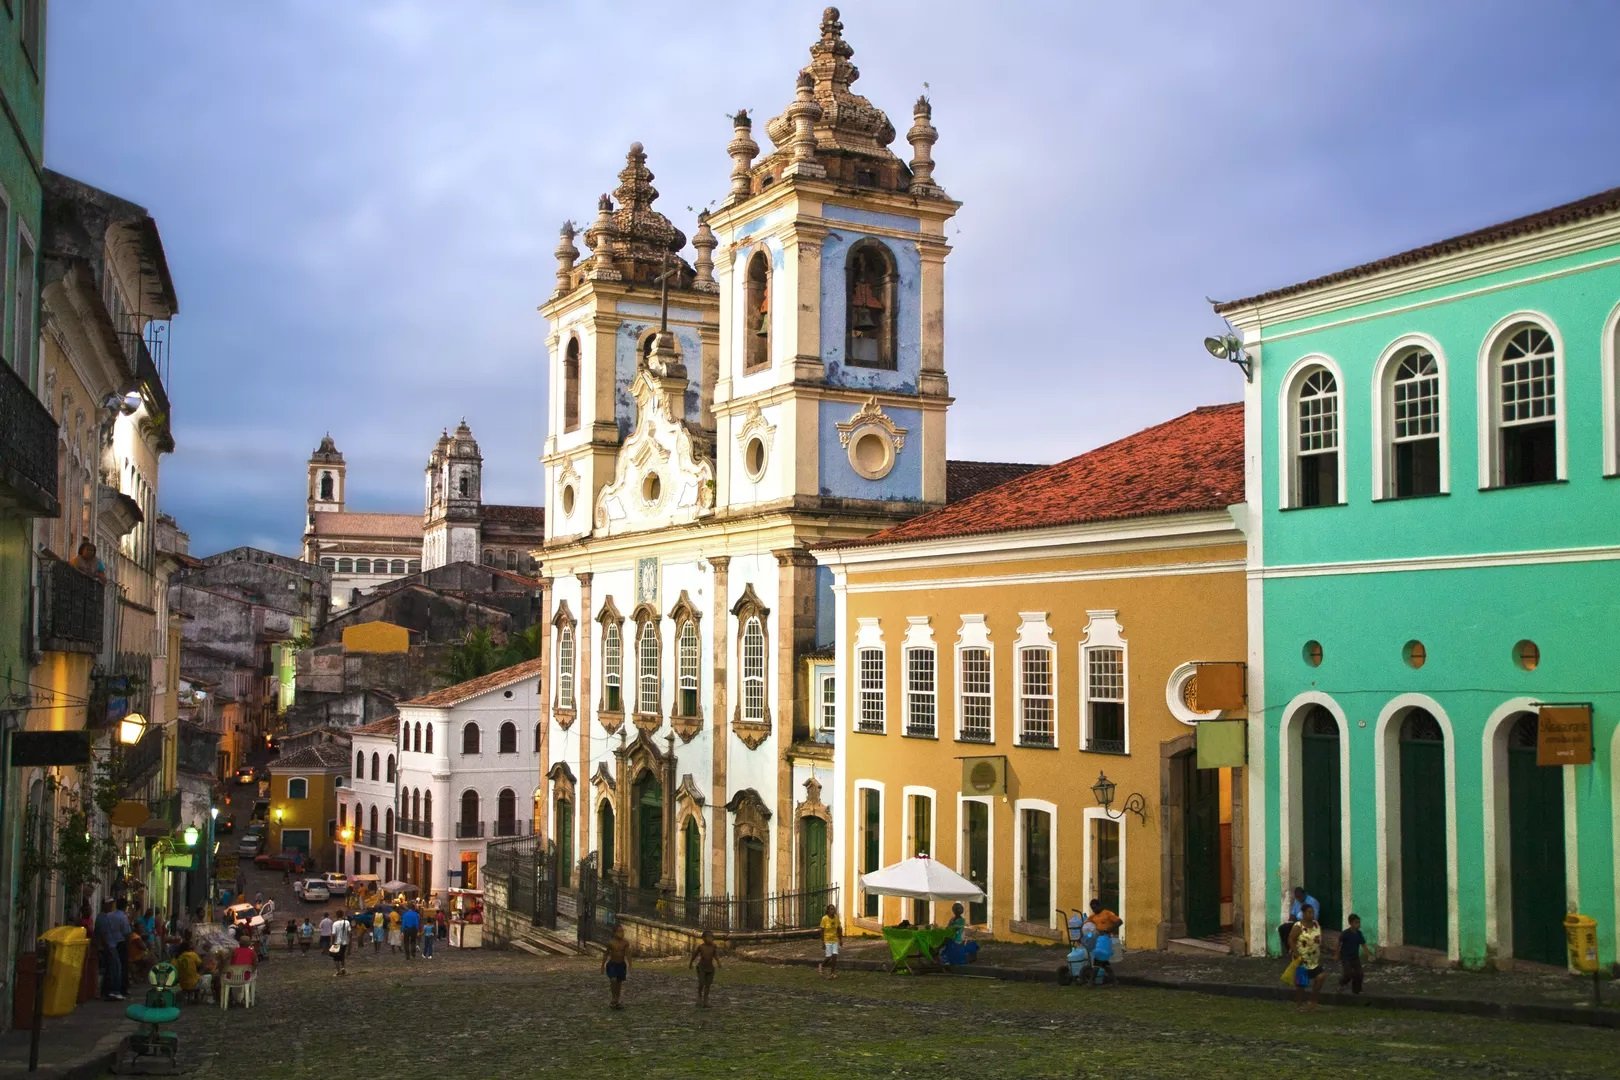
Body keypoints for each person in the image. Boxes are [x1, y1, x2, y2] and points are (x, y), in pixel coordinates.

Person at [1287, 903, 1326, 1012]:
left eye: (1312, 912)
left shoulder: (1316, 924)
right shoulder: (1298, 926)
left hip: (1314, 959)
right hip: (1302, 959)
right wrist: (1296, 954)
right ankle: (1299, 1005)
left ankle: (1313, 1001)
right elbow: (1291, 939)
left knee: (1321, 977)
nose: (1311, 914)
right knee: (1301, 985)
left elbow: (1318, 938)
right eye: (1309, 912)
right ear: (1303, 913)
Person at [1279, 885, 1320, 956]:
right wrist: (1291, 920)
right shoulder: (1297, 901)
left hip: (1308, 923)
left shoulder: (1312, 902)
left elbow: (1314, 917)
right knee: (1283, 928)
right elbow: (1293, 914)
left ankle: (1297, 950)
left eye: (1300, 897)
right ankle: (1290, 949)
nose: (1299, 899)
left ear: (1304, 894)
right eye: (1297, 897)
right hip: (1298, 922)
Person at [1338, 912, 1372, 995]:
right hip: (1346, 957)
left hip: (1355, 957)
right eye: (1356, 922)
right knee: (1348, 973)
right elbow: (1339, 943)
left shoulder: (1359, 934)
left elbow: (1363, 945)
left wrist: (1368, 955)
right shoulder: (1345, 934)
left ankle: (1357, 990)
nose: (1358, 924)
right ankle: (1342, 983)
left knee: (1359, 973)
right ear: (1351, 923)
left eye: (1359, 922)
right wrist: (1337, 954)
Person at [689, 929, 720, 1008]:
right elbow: (694, 955)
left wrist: (718, 962)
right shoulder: (701, 947)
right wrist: (690, 963)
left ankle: (706, 1000)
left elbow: (715, 955)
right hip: (701, 967)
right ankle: (699, 996)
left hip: (710, 968)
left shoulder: (714, 946)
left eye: (711, 937)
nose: (710, 939)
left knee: (708, 985)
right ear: (703, 938)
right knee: (702, 983)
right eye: (708, 937)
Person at [603, 924, 631, 1009]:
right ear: (614, 933)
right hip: (612, 964)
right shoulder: (610, 943)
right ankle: (613, 997)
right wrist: (602, 965)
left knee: (619, 982)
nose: (621, 933)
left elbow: (628, 954)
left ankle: (617, 1000)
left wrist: (630, 964)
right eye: (619, 931)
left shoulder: (625, 943)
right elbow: (606, 954)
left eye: (622, 931)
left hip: (621, 964)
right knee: (613, 980)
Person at [818, 903, 843, 979]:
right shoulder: (824, 919)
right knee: (829, 957)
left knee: (835, 956)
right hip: (827, 940)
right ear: (828, 910)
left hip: (835, 939)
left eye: (834, 909)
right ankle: (821, 965)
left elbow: (839, 929)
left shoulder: (836, 918)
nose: (833, 910)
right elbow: (822, 931)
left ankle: (832, 973)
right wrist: (822, 942)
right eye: (831, 909)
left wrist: (840, 939)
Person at [174, 937, 202, 1003]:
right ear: (189, 948)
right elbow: (200, 963)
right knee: (204, 978)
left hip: (182, 983)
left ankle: (189, 996)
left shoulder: (178, 957)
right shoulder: (193, 955)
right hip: (193, 983)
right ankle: (196, 997)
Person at [330, 908, 350, 976]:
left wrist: (332, 943)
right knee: (342, 956)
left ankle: (338, 971)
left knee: (336, 958)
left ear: (336, 915)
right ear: (342, 914)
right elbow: (349, 933)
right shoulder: (347, 922)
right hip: (344, 942)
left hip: (336, 943)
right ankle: (343, 968)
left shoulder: (335, 924)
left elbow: (333, 935)